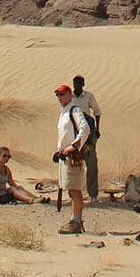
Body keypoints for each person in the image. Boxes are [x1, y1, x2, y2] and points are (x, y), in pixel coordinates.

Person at [52, 84, 93, 234]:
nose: (59, 97)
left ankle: (76, 221)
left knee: (75, 190)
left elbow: (85, 129)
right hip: (64, 157)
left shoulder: (74, 110)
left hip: (72, 157)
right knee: (70, 189)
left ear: (70, 95)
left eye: (62, 94)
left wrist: (74, 146)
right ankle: (74, 219)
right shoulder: (64, 111)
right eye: (57, 95)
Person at [71, 74, 101, 199]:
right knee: (73, 164)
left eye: (79, 83)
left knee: (91, 163)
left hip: (88, 133)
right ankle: (74, 194)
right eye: (75, 82)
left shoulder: (88, 96)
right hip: (73, 133)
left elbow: (97, 111)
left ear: (83, 84)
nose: (76, 85)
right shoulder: (69, 97)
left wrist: (97, 128)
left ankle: (93, 194)